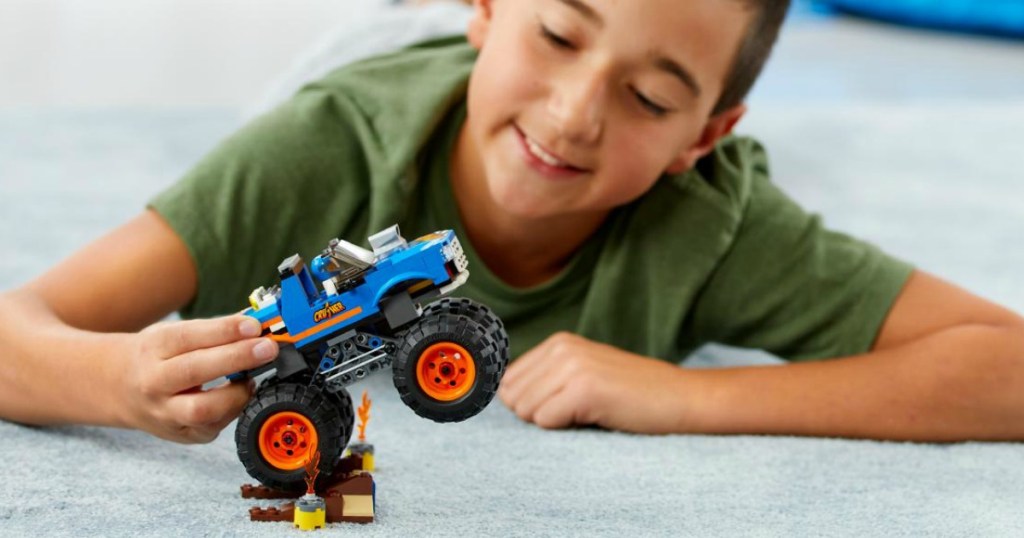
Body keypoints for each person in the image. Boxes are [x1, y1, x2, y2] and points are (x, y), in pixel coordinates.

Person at [2, 0, 1023, 445]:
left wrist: (684, 395)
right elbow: (17, 333)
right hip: (395, 71)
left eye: (651, 98)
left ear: (704, 134)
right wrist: (117, 381)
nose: (576, 115)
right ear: (489, 4)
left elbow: (1006, 366)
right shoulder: (319, 153)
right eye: (561, 34)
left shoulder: (710, 221)